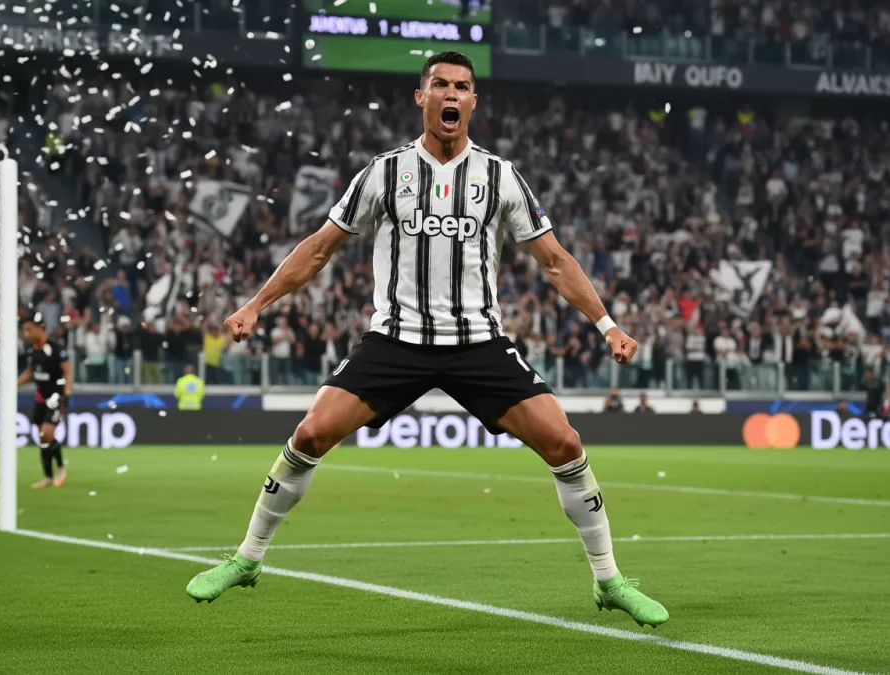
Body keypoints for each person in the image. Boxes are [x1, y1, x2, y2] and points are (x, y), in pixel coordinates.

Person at [185, 51, 668, 628]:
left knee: (564, 443)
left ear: (473, 102)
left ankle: (609, 581)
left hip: (478, 342)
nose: (450, 94)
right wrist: (256, 304)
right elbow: (318, 249)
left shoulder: (500, 176)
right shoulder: (384, 172)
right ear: (422, 97)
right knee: (310, 433)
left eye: (461, 86)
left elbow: (555, 261)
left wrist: (608, 325)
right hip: (397, 340)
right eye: (440, 84)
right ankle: (247, 559)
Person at [17, 315, 72, 488]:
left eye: (29, 329)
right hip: (41, 397)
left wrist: (67, 394)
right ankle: (47, 476)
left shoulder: (55, 348)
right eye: (24, 330)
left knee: (47, 432)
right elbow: (30, 372)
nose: (26, 334)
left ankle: (61, 467)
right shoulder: (32, 350)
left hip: (55, 396)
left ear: (39, 328)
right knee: (42, 437)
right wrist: (14, 384)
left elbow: (68, 372)